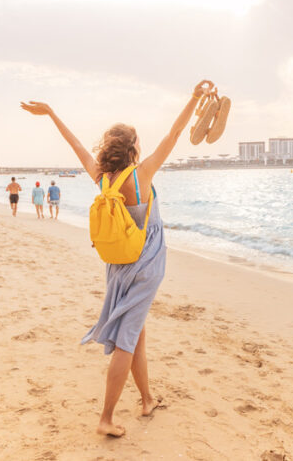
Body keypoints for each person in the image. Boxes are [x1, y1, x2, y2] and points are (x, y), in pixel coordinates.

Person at [20, 79, 210, 438]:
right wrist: (195, 97)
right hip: (146, 263)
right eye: (139, 140)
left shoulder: (102, 177)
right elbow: (176, 131)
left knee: (135, 332)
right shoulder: (142, 174)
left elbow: (74, 143)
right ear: (134, 147)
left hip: (117, 265)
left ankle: (147, 399)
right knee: (128, 337)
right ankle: (106, 418)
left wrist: (51, 114)